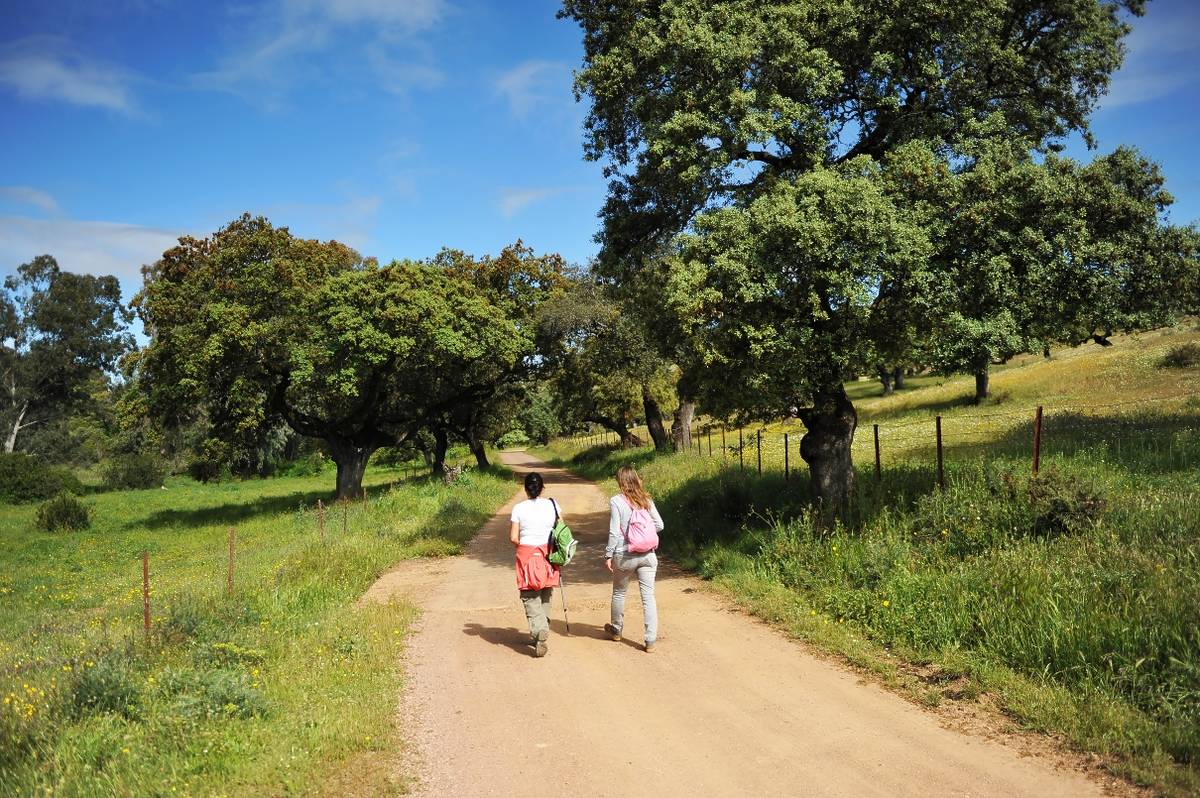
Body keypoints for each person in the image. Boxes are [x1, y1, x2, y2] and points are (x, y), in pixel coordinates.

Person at [604, 465, 665, 653]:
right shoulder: (646, 499)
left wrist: (608, 554)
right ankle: (650, 640)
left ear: (620, 482)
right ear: (636, 479)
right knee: (648, 597)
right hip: (648, 555)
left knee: (619, 593)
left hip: (625, 554)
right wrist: (643, 536)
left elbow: (614, 531)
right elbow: (660, 525)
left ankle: (616, 630)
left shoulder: (616, 501)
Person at [509, 472, 561, 658]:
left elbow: (514, 537)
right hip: (549, 554)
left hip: (527, 555)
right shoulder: (553, 505)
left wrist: (526, 544)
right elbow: (560, 530)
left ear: (525, 488)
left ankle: (539, 631)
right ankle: (542, 629)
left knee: (530, 595)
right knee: (546, 593)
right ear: (542, 488)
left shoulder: (518, 508)